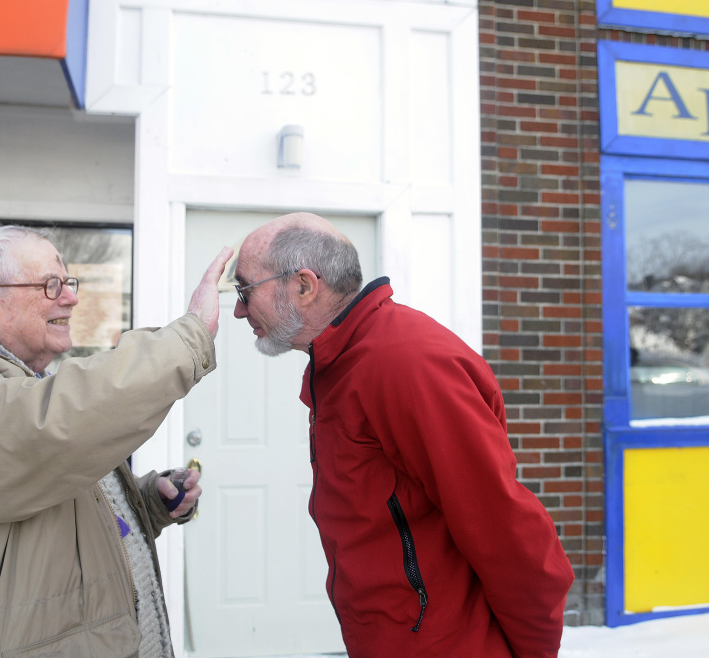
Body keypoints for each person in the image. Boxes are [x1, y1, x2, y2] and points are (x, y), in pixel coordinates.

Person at [0, 224, 232, 658]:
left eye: (68, 282)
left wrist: (148, 503)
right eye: (50, 285)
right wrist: (187, 339)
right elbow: (44, 433)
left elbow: (59, 495)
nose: (71, 297)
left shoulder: (28, 381)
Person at [232, 213, 575, 658]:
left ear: (303, 285)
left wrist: (534, 652)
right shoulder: (342, 361)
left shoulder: (404, 364)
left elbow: (506, 529)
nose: (239, 309)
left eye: (244, 290)